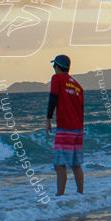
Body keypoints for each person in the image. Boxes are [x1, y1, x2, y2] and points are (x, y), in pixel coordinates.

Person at [46, 54, 85, 195]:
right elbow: (81, 109)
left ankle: (59, 195)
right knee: (76, 164)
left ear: (57, 66)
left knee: (60, 164)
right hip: (78, 129)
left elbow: (53, 98)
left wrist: (48, 120)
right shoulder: (77, 85)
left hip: (65, 128)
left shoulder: (56, 79)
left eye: (54, 66)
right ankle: (80, 194)